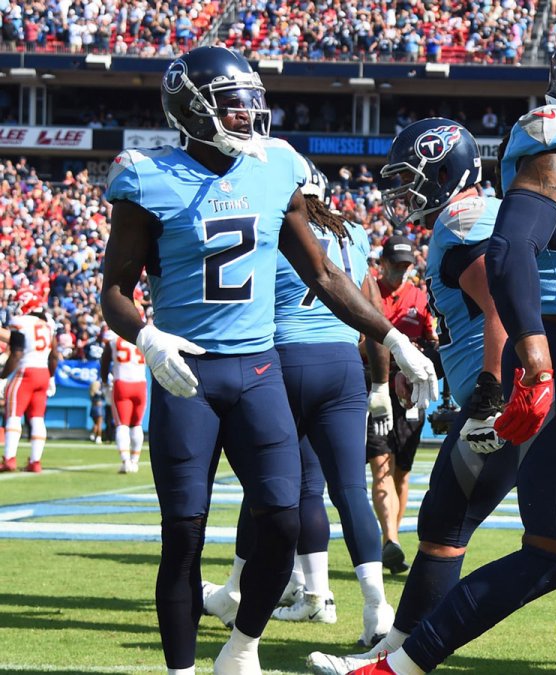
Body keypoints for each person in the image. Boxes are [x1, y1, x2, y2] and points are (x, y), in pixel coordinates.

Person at [99, 46, 435, 675]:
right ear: (192, 110)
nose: (249, 116)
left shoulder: (277, 166)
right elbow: (114, 291)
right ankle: (182, 671)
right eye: (232, 105)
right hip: (187, 377)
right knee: (185, 539)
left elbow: (325, 273)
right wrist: (146, 336)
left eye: (252, 102)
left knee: (282, 522)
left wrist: (393, 339)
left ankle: (240, 648)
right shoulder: (147, 176)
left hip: (259, 371)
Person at [348, 26, 556, 675]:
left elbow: (505, 290)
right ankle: (401, 660)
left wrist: (501, 383)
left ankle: (404, 658)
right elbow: (514, 264)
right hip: (555, 362)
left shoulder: (483, 211)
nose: (404, 196)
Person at [309, 118, 520, 673]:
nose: (405, 194)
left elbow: (503, 304)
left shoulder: (464, 219)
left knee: (460, 526)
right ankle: (393, 651)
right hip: (516, 388)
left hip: (504, 395)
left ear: (444, 173)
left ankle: (398, 658)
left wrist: (490, 394)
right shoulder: (471, 217)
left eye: (413, 179)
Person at [200, 157, 397, 649]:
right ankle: (376, 608)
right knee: (349, 488)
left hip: (283, 363)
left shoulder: (275, 229)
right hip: (342, 365)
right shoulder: (353, 233)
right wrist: (379, 382)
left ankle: (240, 592)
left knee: (279, 487)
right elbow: (368, 306)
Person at [369, 233, 438, 575]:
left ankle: (391, 541)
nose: (400, 273)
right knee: (381, 462)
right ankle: (390, 539)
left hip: (412, 395)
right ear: (381, 264)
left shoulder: (420, 297)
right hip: (378, 389)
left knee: (402, 473)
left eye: (405, 267)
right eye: (394, 266)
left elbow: (433, 339)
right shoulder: (367, 294)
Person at [1, 289, 58, 473]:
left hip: (26, 371)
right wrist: (50, 376)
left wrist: (2, 375)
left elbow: (16, 353)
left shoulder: (21, 322)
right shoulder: (48, 324)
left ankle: (9, 459)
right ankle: (35, 461)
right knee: (37, 418)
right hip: (43, 372)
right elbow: (55, 356)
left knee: (14, 415)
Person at [100, 322, 148, 473]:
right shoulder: (146, 336)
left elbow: (104, 362)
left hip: (122, 383)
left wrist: (103, 382)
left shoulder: (113, 338)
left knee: (122, 425)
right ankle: (135, 461)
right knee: (137, 424)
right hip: (140, 384)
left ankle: (126, 461)